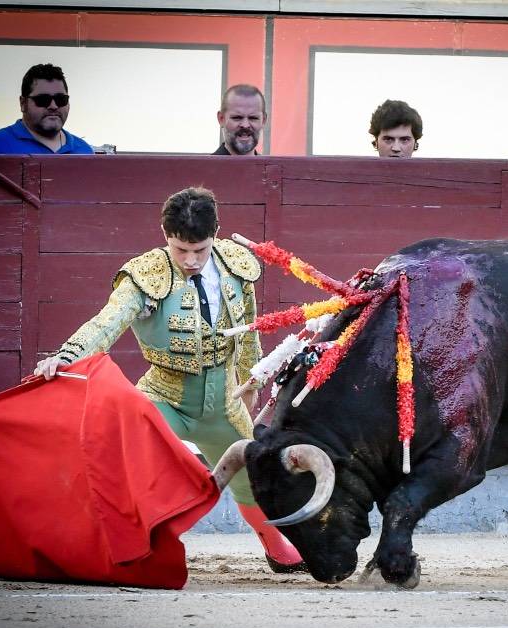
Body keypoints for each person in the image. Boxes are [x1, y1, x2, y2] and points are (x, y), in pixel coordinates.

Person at [34, 186, 306, 573]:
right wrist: (65, 356)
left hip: (223, 401)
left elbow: (249, 333)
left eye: (201, 249)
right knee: (126, 470)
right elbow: (107, 323)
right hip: (162, 397)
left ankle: (276, 549)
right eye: (181, 250)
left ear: (216, 234)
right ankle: (114, 547)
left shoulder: (236, 265)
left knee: (251, 478)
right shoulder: (146, 274)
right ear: (165, 235)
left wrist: (251, 385)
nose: (191, 260)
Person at [0, 63, 94, 154]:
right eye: (43, 100)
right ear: (23, 103)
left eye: (61, 100)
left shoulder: (85, 151)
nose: (53, 106)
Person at [213, 84, 267, 156]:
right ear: (221, 119)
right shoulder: (202, 167)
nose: (245, 125)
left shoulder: (271, 166)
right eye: (237, 117)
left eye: (253, 118)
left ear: (263, 120)